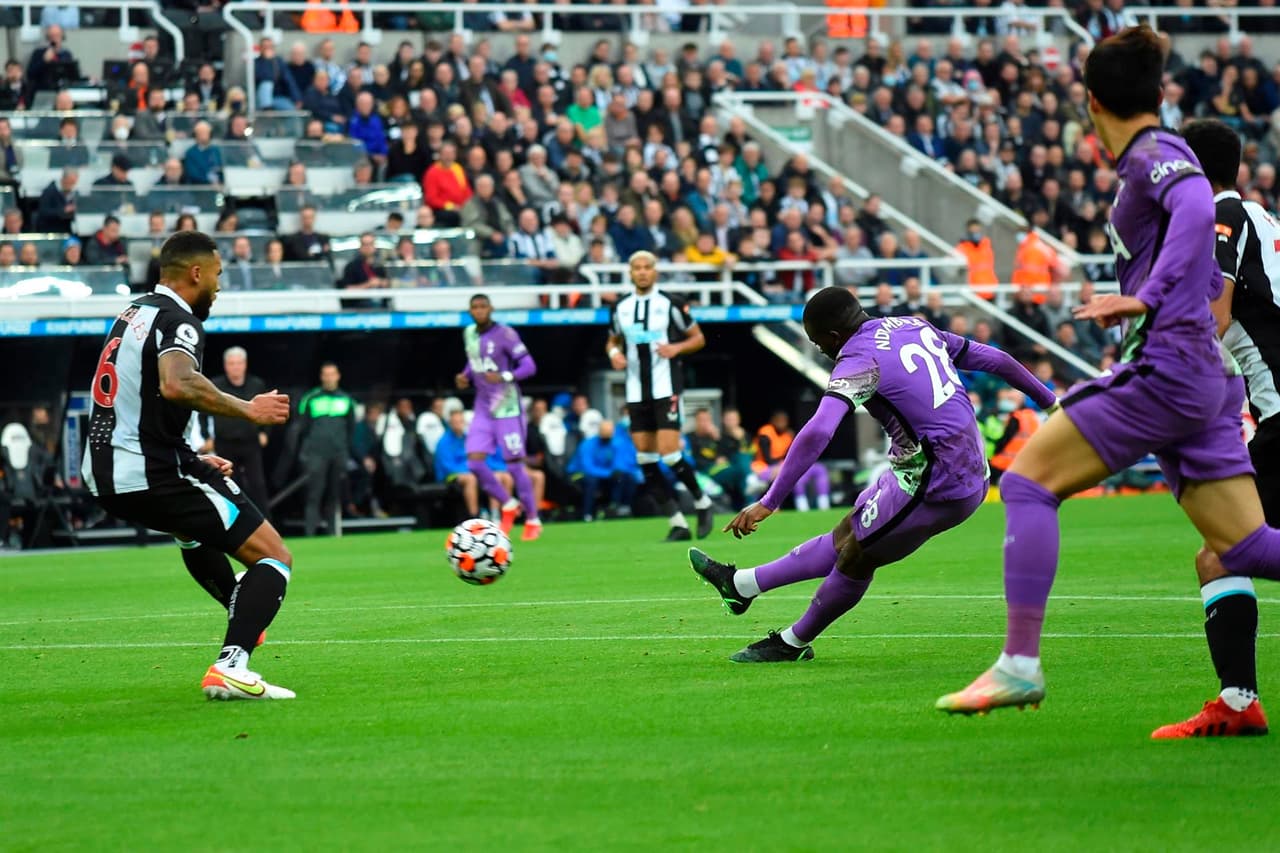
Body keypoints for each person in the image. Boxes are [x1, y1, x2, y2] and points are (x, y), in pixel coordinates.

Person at [938, 27, 1280, 723]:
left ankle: (1019, 664)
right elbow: (1201, 239)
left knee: (1029, 480)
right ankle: (1237, 702)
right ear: (1158, 94)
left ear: (1090, 103)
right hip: (1208, 379)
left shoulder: (1156, 159)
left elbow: (1194, 208)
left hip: (1170, 367)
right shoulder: (1170, 153)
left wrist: (1149, 296)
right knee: (1241, 547)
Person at [690, 286, 1055, 662]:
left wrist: (771, 500)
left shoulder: (859, 359)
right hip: (956, 465)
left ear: (834, 336)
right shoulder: (913, 326)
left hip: (936, 482)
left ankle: (792, 643)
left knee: (858, 556)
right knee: (850, 530)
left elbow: (818, 431)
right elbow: (997, 358)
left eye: (819, 344)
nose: (822, 351)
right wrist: (1051, 402)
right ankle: (741, 585)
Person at [80, 231, 294, 700]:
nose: (219, 286)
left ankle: (242, 611)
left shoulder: (132, 313)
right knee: (274, 555)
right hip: (149, 467)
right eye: (217, 274)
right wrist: (248, 408)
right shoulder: (180, 321)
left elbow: (137, 399)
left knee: (191, 527)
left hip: (105, 472)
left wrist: (190, 456)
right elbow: (177, 385)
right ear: (196, 273)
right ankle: (232, 664)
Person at [1149, 119, 1280, 737]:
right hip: (1273, 409)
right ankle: (1237, 702)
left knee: (1223, 551)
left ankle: (1237, 703)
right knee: (1222, 551)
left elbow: (1216, 315)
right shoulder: (1262, 217)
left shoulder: (1222, 216)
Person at [606, 251, 714, 541]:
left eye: (647, 267)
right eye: (636, 267)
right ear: (630, 273)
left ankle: (703, 502)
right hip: (635, 391)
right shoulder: (620, 308)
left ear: (655, 272)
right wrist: (614, 353)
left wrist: (676, 348)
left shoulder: (671, 304)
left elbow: (699, 337)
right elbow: (612, 339)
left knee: (670, 454)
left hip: (665, 388)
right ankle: (678, 522)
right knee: (645, 458)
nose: (642, 272)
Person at [454, 293, 542, 541]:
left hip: (507, 408)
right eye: (475, 307)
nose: (479, 310)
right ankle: (508, 503)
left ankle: (533, 519)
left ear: (491, 309)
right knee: (474, 463)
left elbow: (529, 366)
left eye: (483, 306)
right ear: (470, 311)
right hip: (483, 408)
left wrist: (504, 376)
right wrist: (465, 375)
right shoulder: (469, 333)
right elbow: (475, 362)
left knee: (514, 465)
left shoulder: (506, 334)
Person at [201, 346, 271, 517]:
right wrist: (206, 436)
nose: (235, 367)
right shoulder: (216, 386)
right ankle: (236, 523)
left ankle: (267, 523)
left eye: (239, 363)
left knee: (257, 484)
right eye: (231, 364)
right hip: (225, 444)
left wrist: (265, 433)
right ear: (226, 365)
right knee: (230, 484)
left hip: (250, 442)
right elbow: (202, 411)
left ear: (245, 365)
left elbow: (269, 409)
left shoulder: (257, 384)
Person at [297, 363, 355, 537]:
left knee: (334, 494)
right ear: (321, 377)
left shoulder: (346, 399)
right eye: (326, 374)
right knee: (314, 493)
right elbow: (302, 428)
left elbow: (351, 428)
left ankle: (332, 533)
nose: (329, 378)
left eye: (332, 374)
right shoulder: (311, 398)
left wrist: (344, 451)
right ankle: (310, 533)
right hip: (317, 453)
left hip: (338, 453)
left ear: (338, 376)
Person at [753, 410, 831, 512]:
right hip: (765, 467)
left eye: (784, 420)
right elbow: (767, 458)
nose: (781, 423)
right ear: (773, 421)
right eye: (779, 420)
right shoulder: (766, 431)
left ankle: (824, 505)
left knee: (819, 469)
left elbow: (793, 455)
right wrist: (783, 465)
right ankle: (801, 507)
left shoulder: (788, 435)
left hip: (783, 466)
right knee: (793, 474)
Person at [568, 419, 638, 521]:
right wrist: (609, 473)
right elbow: (587, 468)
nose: (606, 440)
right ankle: (587, 513)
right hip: (578, 474)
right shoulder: (588, 444)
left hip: (602, 475)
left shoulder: (616, 443)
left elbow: (618, 463)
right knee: (591, 481)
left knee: (626, 477)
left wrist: (615, 472)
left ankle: (620, 508)